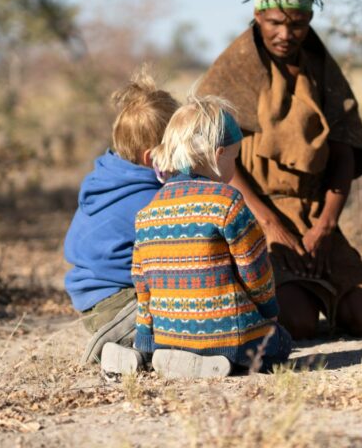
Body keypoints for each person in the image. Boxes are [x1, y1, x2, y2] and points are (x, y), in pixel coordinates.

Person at [195, 0, 362, 339]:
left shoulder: (320, 68)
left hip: (314, 215)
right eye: (275, 23)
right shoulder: (234, 69)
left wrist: (326, 227)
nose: (286, 34)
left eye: (297, 24)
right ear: (258, 15)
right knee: (296, 321)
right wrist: (269, 223)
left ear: (310, 18)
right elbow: (214, 154)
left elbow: (344, 147)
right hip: (255, 212)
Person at [123, 96, 291, 378]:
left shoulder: (148, 212)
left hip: (169, 339)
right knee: (281, 342)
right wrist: (268, 310)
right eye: (235, 159)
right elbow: (255, 270)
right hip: (231, 336)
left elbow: (142, 285)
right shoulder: (227, 201)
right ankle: (221, 360)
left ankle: (181, 358)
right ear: (218, 155)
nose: (234, 168)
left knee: (186, 340)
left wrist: (146, 339)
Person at [62, 71, 178, 368]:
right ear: (153, 158)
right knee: (181, 319)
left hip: (93, 301)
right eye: (180, 148)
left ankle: (126, 353)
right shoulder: (149, 201)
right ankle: (122, 340)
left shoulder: (106, 176)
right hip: (121, 302)